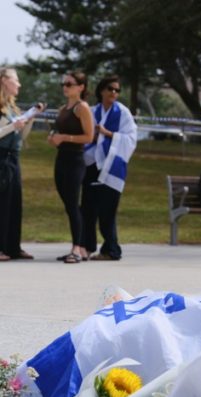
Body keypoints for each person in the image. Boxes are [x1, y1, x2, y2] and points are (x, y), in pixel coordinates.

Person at [81, 75, 137, 261]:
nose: (114, 93)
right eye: (110, 89)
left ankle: (111, 249)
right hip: (91, 165)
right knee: (88, 209)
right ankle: (87, 246)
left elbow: (130, 139)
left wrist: (107, 134)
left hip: (112, 167)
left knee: (107, 211)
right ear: (102, 91)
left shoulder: (123, 113)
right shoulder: (91, 111)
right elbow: (84, 134)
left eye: (117, 90)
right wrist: (94, 137)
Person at [48, 71, 95, 264]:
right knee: (69, 205)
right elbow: (59, 130)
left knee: (74, 204)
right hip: (61, 159)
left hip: (75, 160)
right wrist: (53, 137)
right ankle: (80, 246)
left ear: (81, 87)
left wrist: (65, 138)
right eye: (64, 84)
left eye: (70, 84)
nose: (65, 87)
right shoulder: (63, 108)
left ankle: (78, 247)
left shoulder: (82, 108)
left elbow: (89, 137)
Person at [0, 67, 43, 261]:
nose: (19, 84)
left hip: (13, 158)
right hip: (1, 158)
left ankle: (12, 246)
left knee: (14, 203)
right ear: (4, 81)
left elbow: (21, 137)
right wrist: (12, 126)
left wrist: (29, 119)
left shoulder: (12, 108)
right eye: (15, 80)